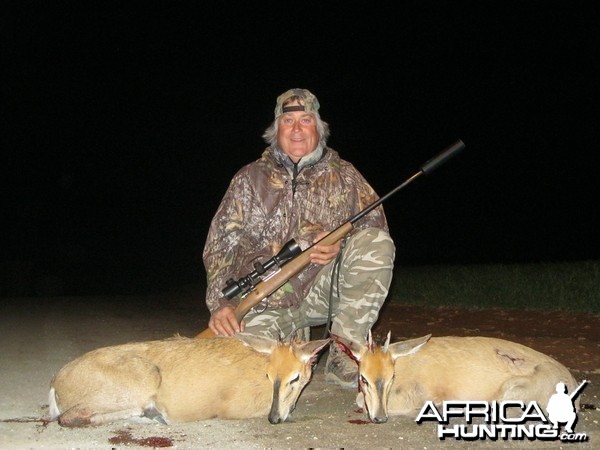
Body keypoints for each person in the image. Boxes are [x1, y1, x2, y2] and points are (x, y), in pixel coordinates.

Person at [203, 88, 395, 388]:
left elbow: (376, 229)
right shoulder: (247, 180)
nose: (296, 129)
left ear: (319, 129)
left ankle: (343, 350)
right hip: (263, 301)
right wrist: (221, 304)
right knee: (245, 378)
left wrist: (339, 245)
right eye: (288, 120)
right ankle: (293, 340)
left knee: (376, 244)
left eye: (306, 120)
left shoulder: (346, 176)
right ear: (275, 130)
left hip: (322, 291)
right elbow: (219, 248)